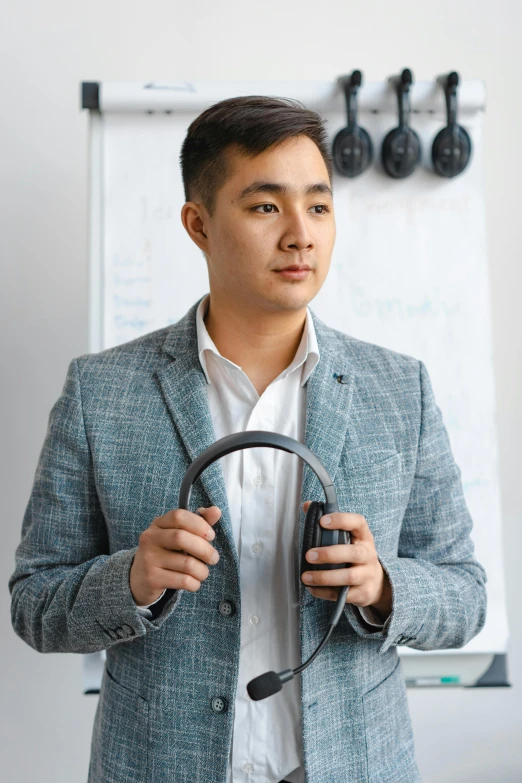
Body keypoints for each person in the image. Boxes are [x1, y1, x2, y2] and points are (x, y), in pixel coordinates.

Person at [9, 95, 487, 783]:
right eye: (266, 207)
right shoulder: (101, 392)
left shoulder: (399, 388)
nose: (301, 234)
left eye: (318, 206)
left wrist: (384, 587)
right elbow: (35, 603)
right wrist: (132, 580)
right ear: (197, 224)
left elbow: (466, 595)